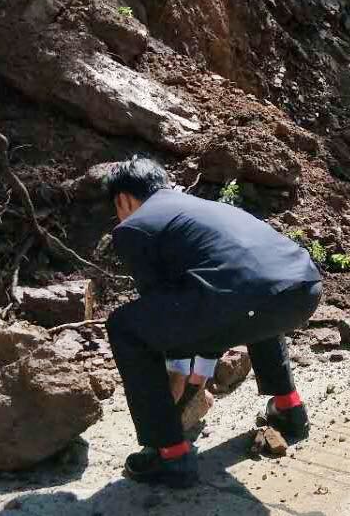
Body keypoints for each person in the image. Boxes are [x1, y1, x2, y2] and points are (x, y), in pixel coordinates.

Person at [103, 157, 323, 488]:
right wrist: (199, 372)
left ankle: (170, 454)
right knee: (254, 295)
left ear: (123, 199)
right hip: (302, 289)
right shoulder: (204, 207)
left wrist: (180, 378)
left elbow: (163, 316)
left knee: (124, 327)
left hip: (243, 299)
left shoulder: (135, 226)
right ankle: (289, 410)